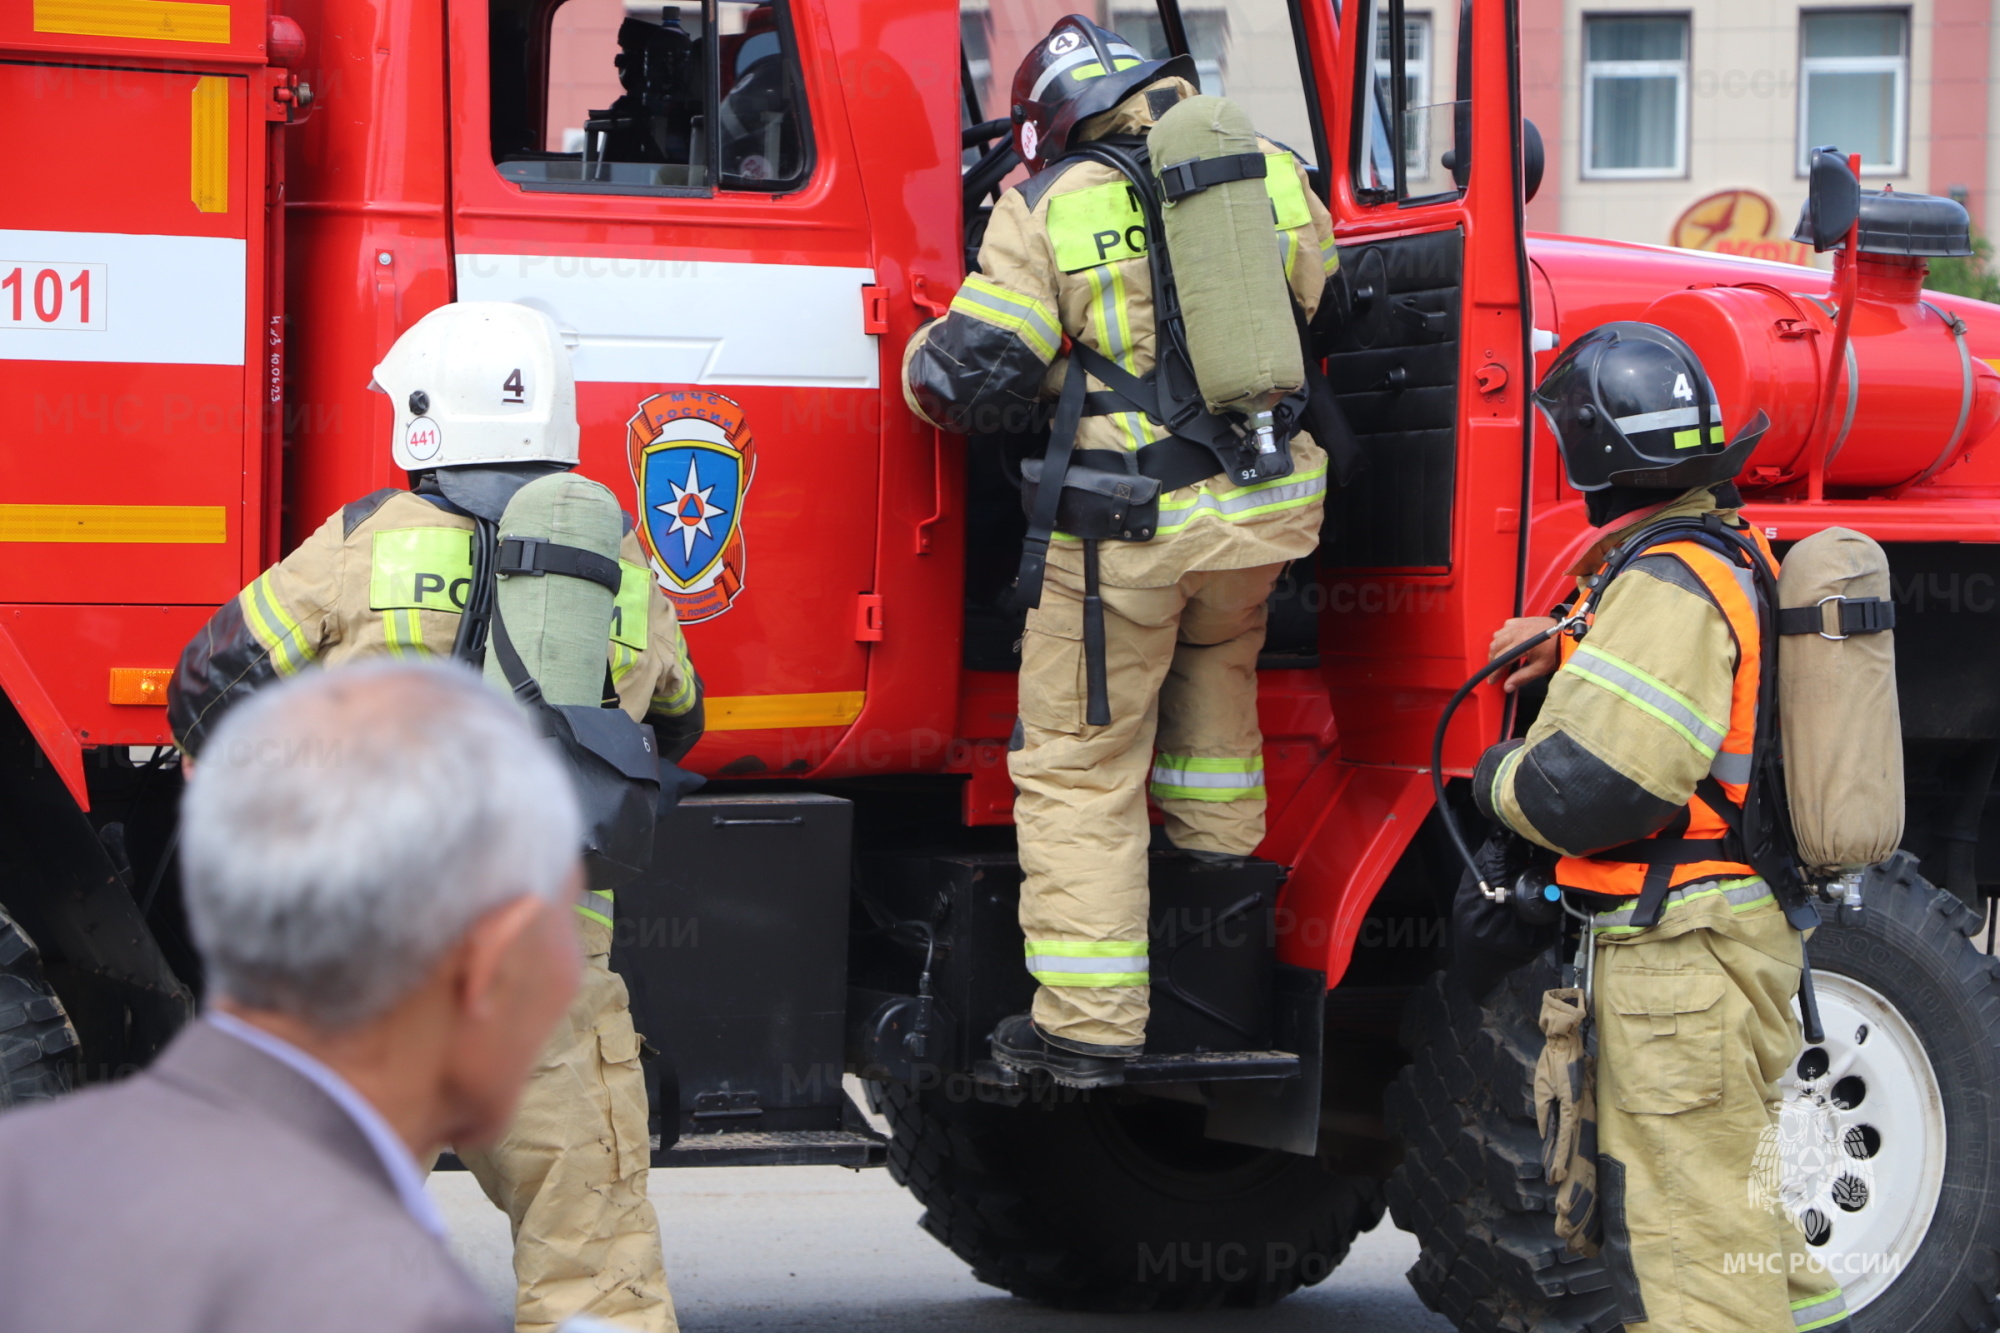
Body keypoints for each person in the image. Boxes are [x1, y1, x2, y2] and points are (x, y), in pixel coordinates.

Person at [166, 302, 696, 1333]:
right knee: (597, 1275)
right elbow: (673, 723)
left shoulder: (369, 540)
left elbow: (207, 683)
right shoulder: (617, 564)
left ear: (424, 415)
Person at [903, 16, 1339, 1086]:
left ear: (1050, 119)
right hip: (1260, 519)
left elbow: (975, 375)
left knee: (1079, 767)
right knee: (1215, 729)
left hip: (1126, 537)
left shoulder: (1046, 204)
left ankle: (1089, 1026)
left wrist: (921, 351)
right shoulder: (1267, 170)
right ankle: (1218, 987)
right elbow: (1321, 300)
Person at [0, 662, 581, 1332]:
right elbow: (676, 706)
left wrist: (207, 744)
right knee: (577, 1221)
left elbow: (226, 661)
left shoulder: (354, 566)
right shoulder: (604, 577)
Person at [1471, 322, 1849, 1333]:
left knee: (1696, 1266)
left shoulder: (1667, 581)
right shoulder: (1702, 558)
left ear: (1594, 453)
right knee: (1740, 1228)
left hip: (1681, 959)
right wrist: (1570, 644)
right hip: (1719, 941)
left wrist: (1494, 780)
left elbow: (1590, 789)